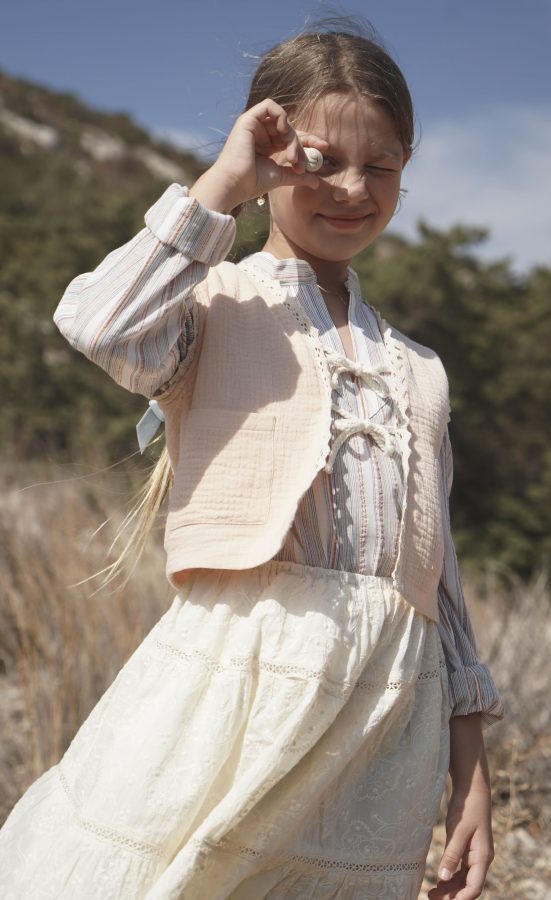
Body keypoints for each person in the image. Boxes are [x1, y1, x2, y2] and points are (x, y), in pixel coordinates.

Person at [0, 18, 504, 900]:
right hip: (237, 685)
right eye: (319, 161)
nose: (352, 188)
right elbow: (96, 324)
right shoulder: (212, 308)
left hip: (386, 705)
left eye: (380, 165)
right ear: (272, 154)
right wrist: (221, 189)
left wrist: (472, 763)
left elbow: (440, 573)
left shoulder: (420, 367)